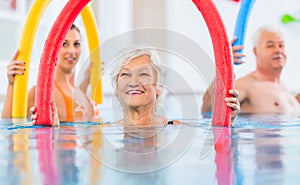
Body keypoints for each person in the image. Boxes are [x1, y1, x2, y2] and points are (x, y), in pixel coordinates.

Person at [32, 45, 240, 126]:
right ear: (115, 90)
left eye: (143, 74)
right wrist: (50, 130)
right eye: (125, 75)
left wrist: (227, 123)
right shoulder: (103, 131)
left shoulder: (177, 128)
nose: (133, 82)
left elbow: (219, 141)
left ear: (159, 87)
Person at [2, 24, 99, 122]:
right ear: (53, 48)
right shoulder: (40, 92)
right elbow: (9, 123)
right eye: (64, 44)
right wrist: (11, 84)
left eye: (76, 44)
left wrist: (86, 80)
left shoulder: (81, 94)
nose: (71, 51)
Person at [202, 25, 300, 116]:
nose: (278, 50)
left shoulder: (284, 89)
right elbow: (209, 109)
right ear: (255, 51)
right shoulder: (247, 85)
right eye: (270, 46)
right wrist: (223, 65)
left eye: (281, 45)